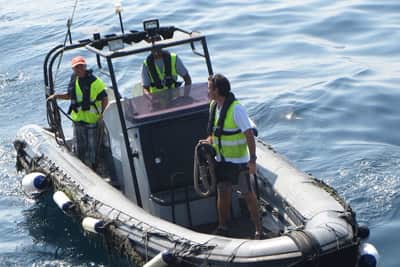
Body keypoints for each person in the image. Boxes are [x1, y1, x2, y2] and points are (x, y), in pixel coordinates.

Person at [203, 73, 262, 239]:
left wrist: (252, 160)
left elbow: (249, 134)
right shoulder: (213, 106)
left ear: (217, 90)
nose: (207, 92)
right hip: (222, 160)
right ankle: (223, 227)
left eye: (209, 89)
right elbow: (216, 131)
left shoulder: (236, 109)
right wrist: (209, 140)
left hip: (239, 161)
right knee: (223, 192)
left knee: (248, 194)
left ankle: (258, 229)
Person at [47, 56, 108, 169]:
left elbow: (105, 98)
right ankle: (81, 168)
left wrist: (102, 115)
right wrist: (56, 96)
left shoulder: (95, 82)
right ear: (73, 69)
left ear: (85, 66)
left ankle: (94, 168)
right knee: (79, 147)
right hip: (78, 119)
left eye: (81, 66)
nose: (79, 69)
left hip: (92, 120)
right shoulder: (74, 80)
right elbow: (70, 96)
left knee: (92, 148)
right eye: (76, 67)